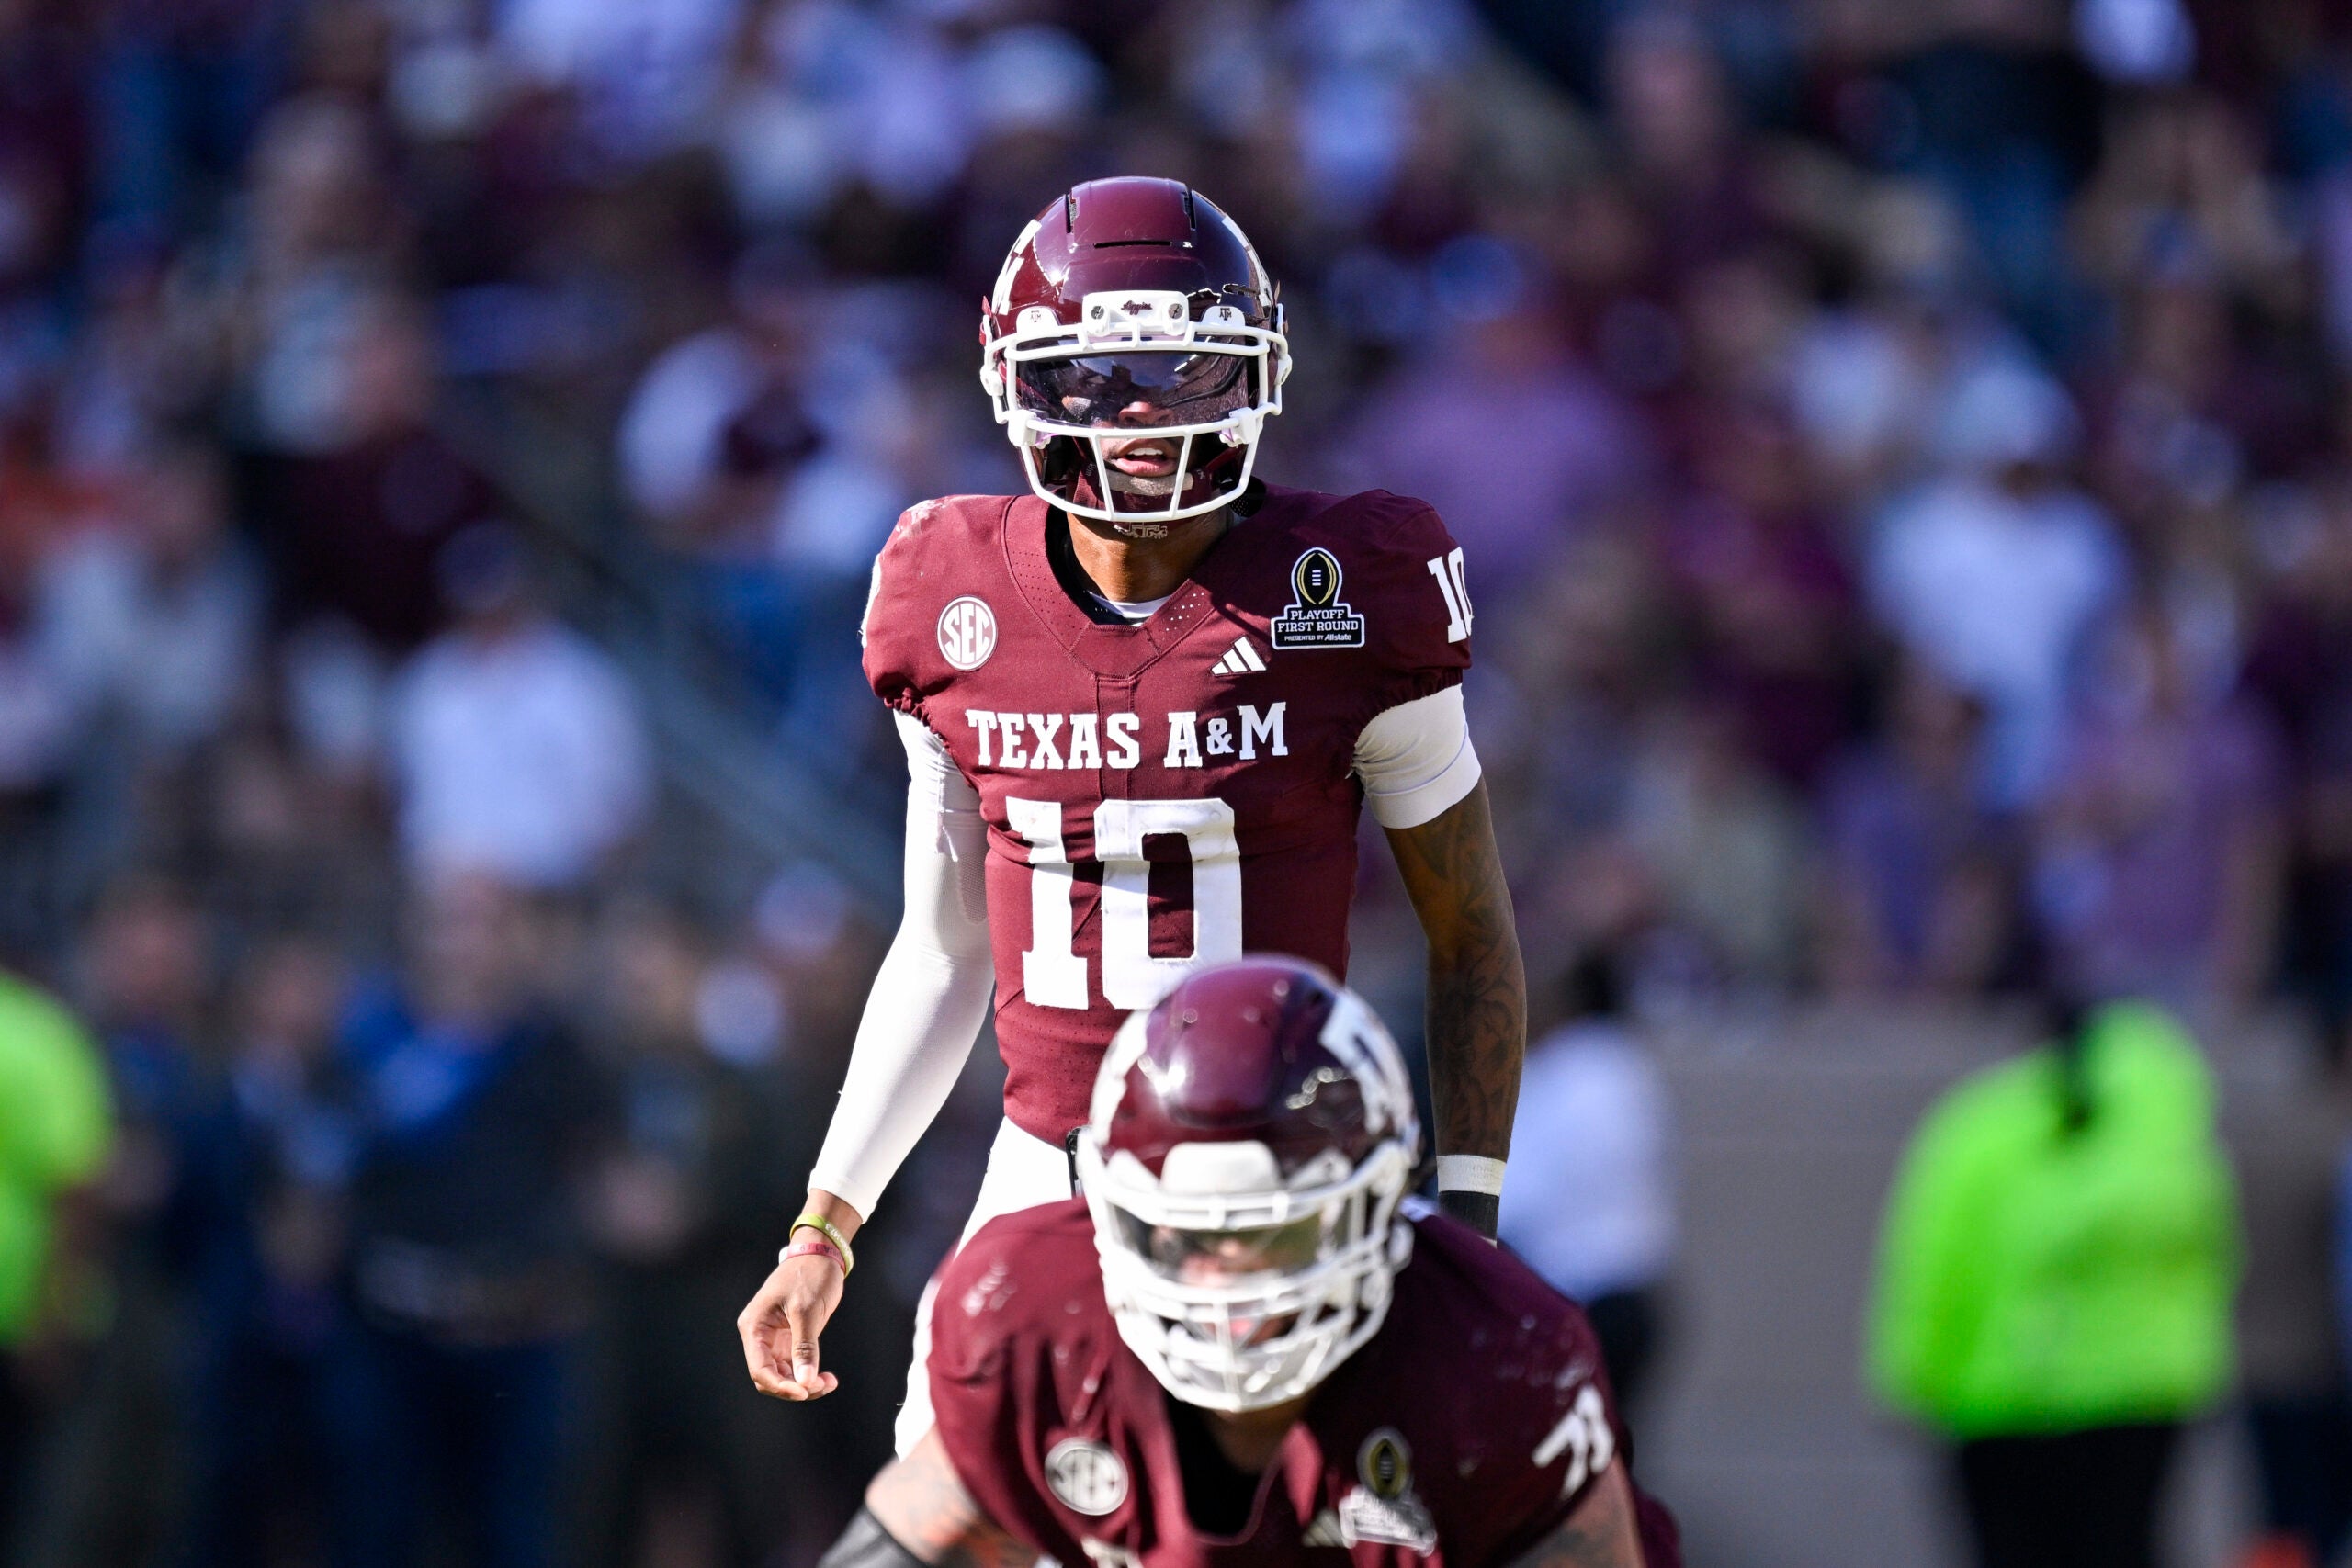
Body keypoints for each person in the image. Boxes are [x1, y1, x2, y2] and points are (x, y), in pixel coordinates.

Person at [738, 178, 1529, 1453]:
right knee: (948, 1504)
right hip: (1046, 1162)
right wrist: (827, 1219)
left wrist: (1469, 1219)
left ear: (1257, 374)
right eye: (1101, 377)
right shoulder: (944, 592)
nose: (1145, 417)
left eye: (1184, 373)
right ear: (1016, 384)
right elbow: (945, 949)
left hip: (1283, 1178)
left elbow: (1472, 931)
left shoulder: (1349, 591)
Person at [827, 957, 1680, 1568]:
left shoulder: (1497, 1356)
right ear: (1116, 1217)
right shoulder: (1030, 1318)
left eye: (1276, 1235)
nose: (1226, 1279)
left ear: (1381, 1207)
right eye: (1188, 1237)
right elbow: (913, 1538)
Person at [1866, 998, 2239, 1568]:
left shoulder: (1981, 1126)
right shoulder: (2171, 1124)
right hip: (2141, 1392)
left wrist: (1914, 1372)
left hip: (2005, 1391)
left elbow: (1936, 1259)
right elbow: (2214, 1255)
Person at [1498, 953, 1676, 1412]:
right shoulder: (1630, 1068)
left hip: (1579, 1300)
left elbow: (1514, 1197)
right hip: (1641, 1297)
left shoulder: (1562, 1075)